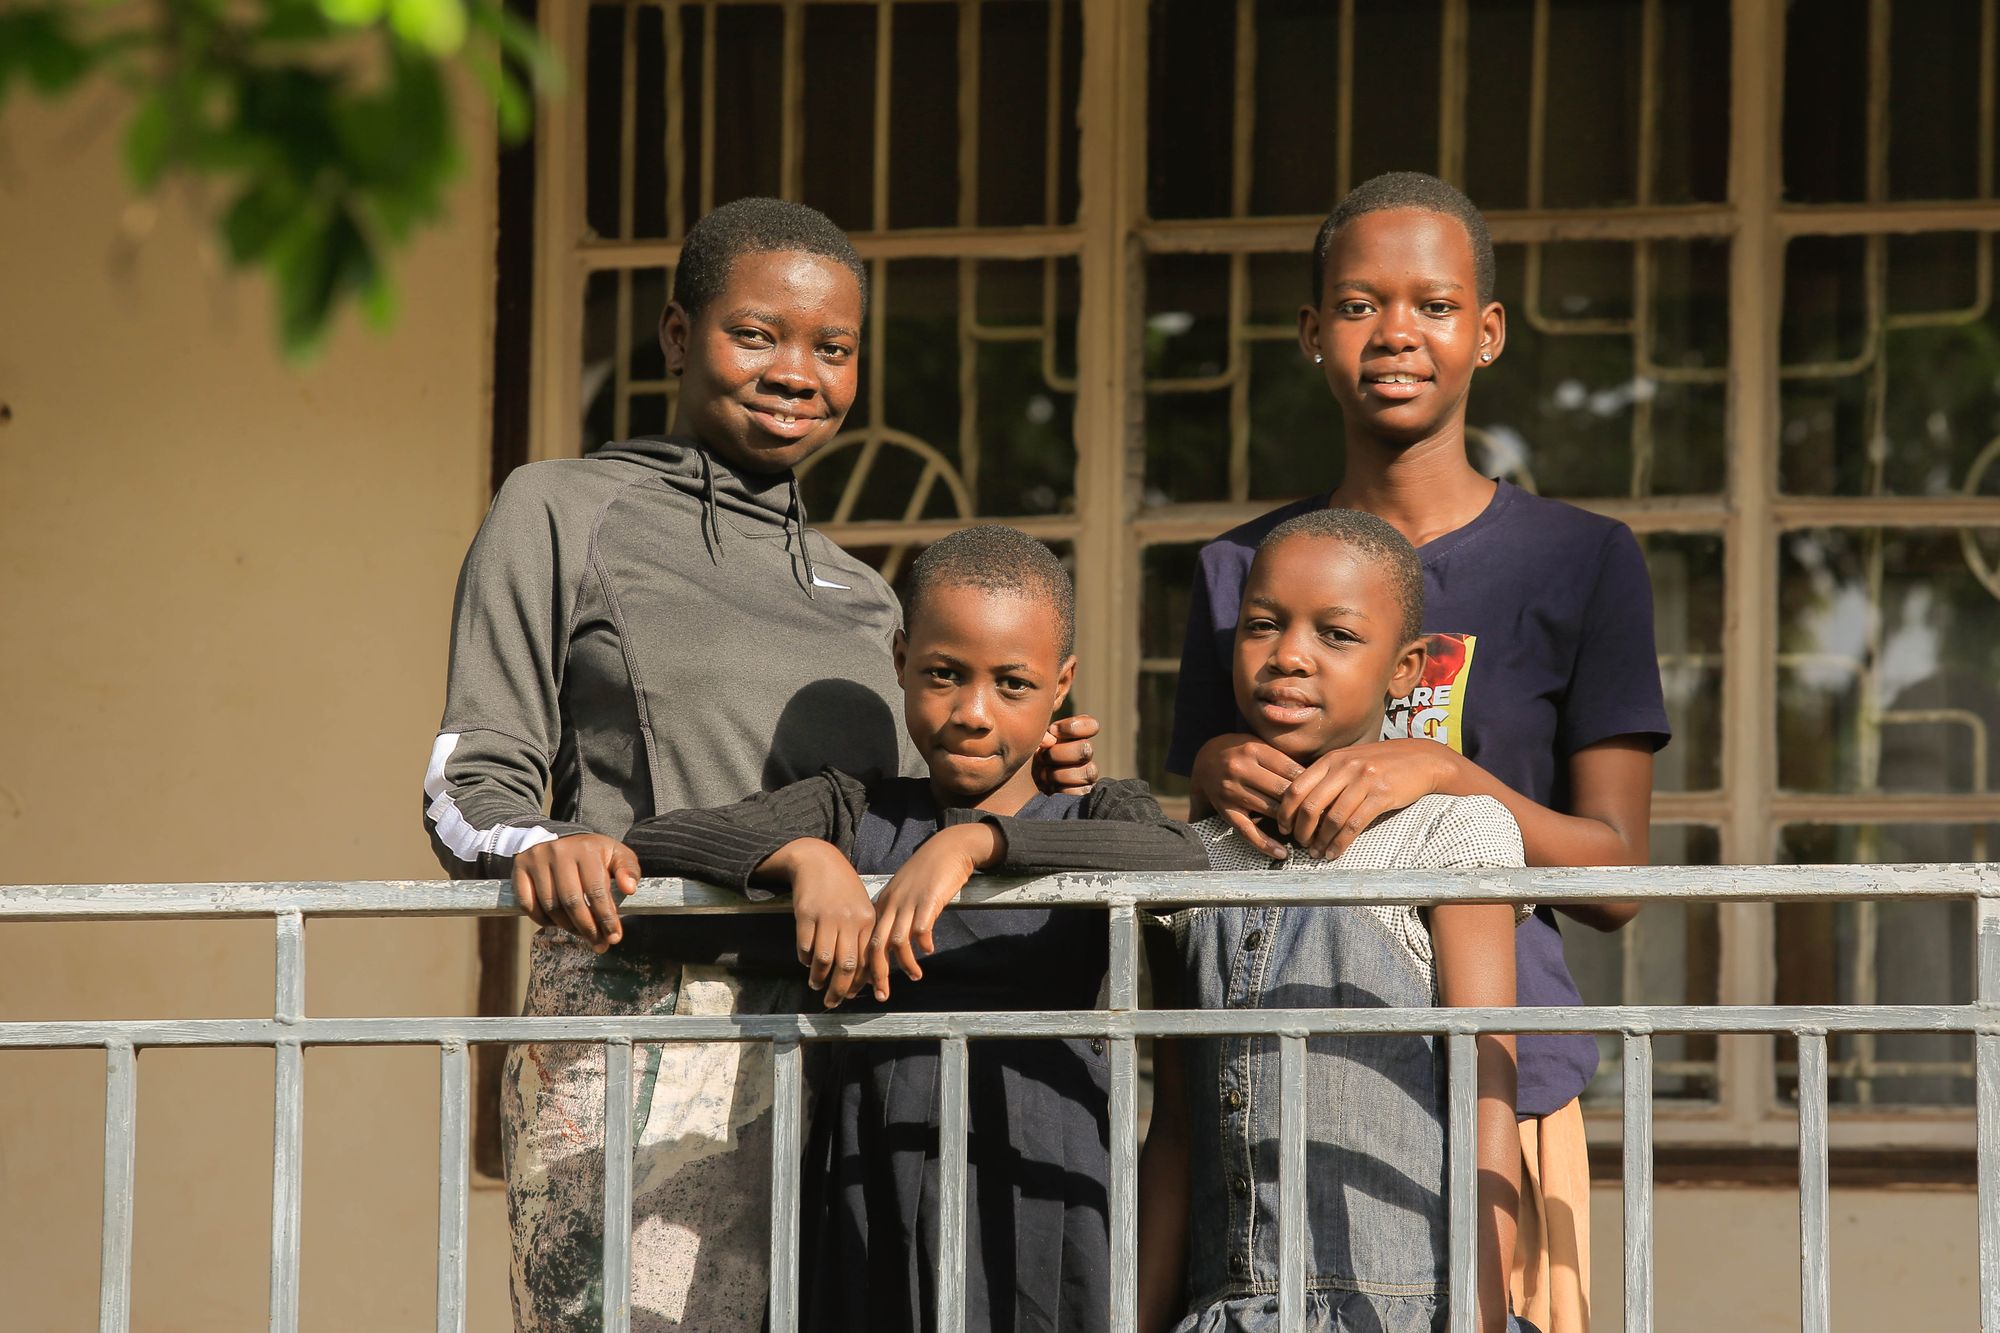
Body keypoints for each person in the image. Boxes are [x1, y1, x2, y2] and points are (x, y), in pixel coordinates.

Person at [422, 200, 1099, 1331]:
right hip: (642, 1025)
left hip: (846, 1042)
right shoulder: (559, 507)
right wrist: (547, 844)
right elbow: (467, 786)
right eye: (757, 335)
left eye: (832, 349)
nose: (798, 372)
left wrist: (1028, 773)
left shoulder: (870, 595)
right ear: (678, 336)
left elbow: (901, 807)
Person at [1165, 171, 1670, 1333]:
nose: (1395, 332)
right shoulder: (1237, 571)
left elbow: (1620, 876)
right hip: (1273, 1086)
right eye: (1356, 305)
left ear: (1484, 332)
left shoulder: (1580, 558)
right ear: (1309, 333)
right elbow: (1201, 833)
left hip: (1503, 1078)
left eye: (1433, 305)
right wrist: (1204, 769)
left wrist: (1443, 771)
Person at [624, 525, 1209, 1333]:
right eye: (943, 674)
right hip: (870, 1179)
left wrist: (979, 842)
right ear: (900, 661)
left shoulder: (1094, 810)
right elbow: (651, 843)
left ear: (1062, 684)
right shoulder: (853, 809)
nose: (972, 712)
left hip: (1042, 1173)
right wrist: (802, 858)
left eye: (1012, 683)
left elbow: (1181, 855)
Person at [1138, 508, 1533, 1333]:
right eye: (1263, 625)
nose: (1288, 654)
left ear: (1405, 670)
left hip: (1397, 1311)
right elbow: (1173, 1133)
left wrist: (1483, 1317)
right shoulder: (1192, 858)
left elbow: (1487, 1095)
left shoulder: (1451, 828)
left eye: (1338, 634)